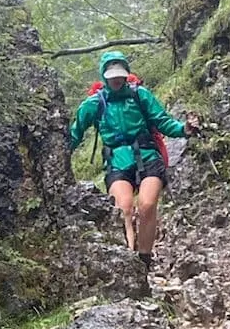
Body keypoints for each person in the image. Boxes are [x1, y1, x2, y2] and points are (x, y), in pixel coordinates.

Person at [69, 48, 200, 273]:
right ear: (104, 77)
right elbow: (75, 133)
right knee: (124, 209)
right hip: (117, 161)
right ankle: (129, 261)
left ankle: (145, 259)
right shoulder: (93, 104)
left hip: (148, 155)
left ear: (126, 74)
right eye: (112, 77)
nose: (117, 80)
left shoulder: (140, 95)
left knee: (147, 205)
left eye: (120, 75)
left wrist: (184, 129)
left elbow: (163, 122)